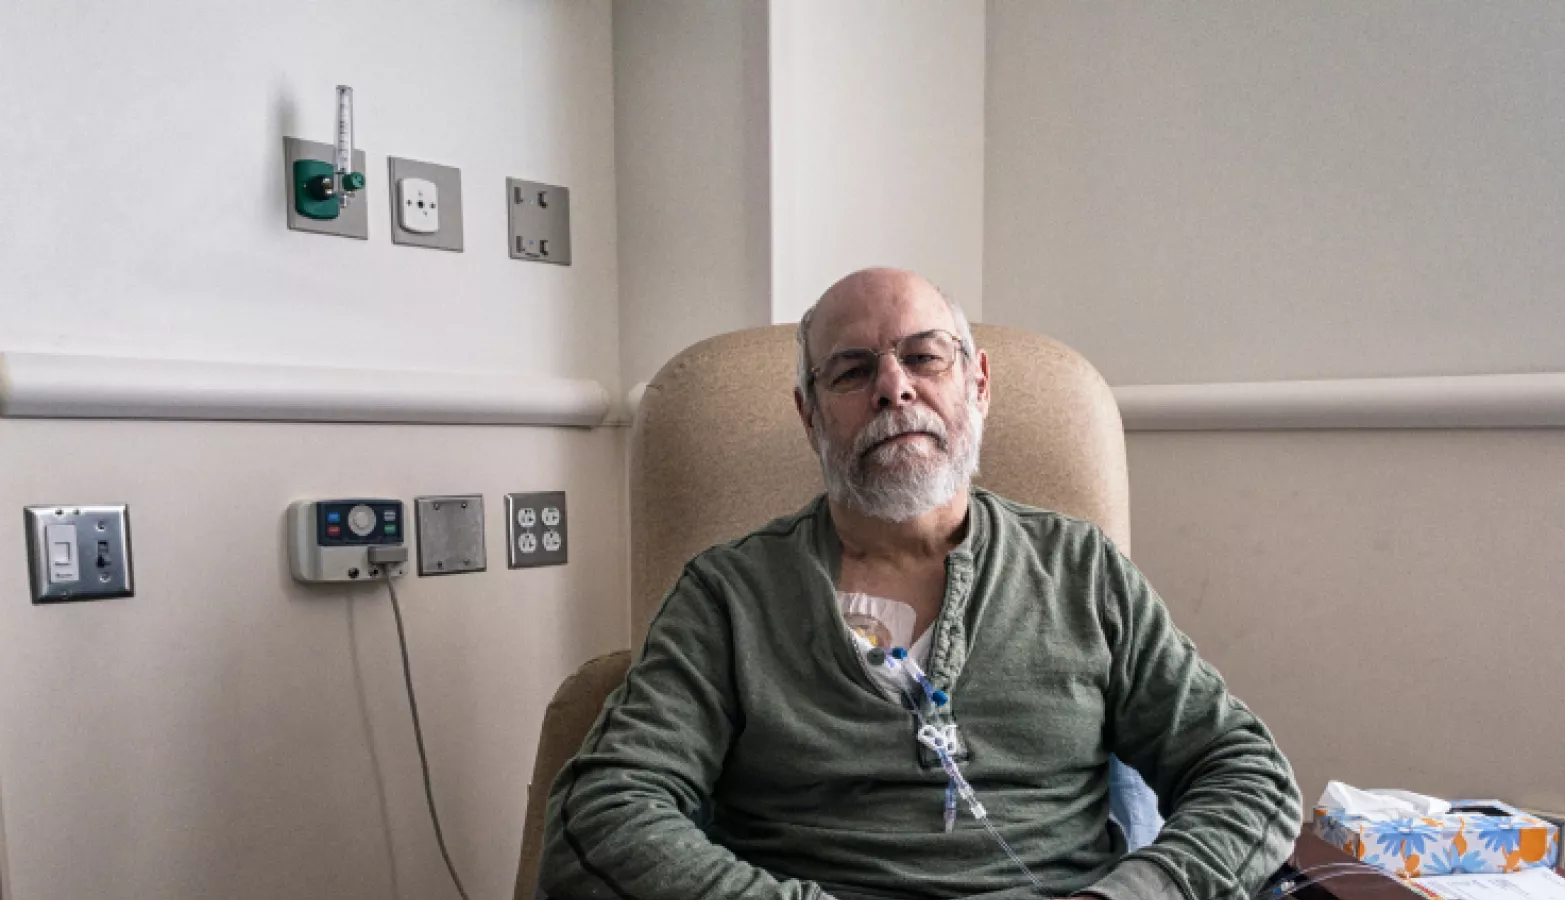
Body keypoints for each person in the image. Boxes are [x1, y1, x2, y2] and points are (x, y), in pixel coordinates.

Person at [538, 268, 1303, 900]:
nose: (893, 388)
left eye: (925, 357)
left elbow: (1245, 774)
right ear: (809, 417)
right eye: (852, 369)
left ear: (978, 384)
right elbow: (606, 810)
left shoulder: (1082, 571)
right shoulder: (729, 597)